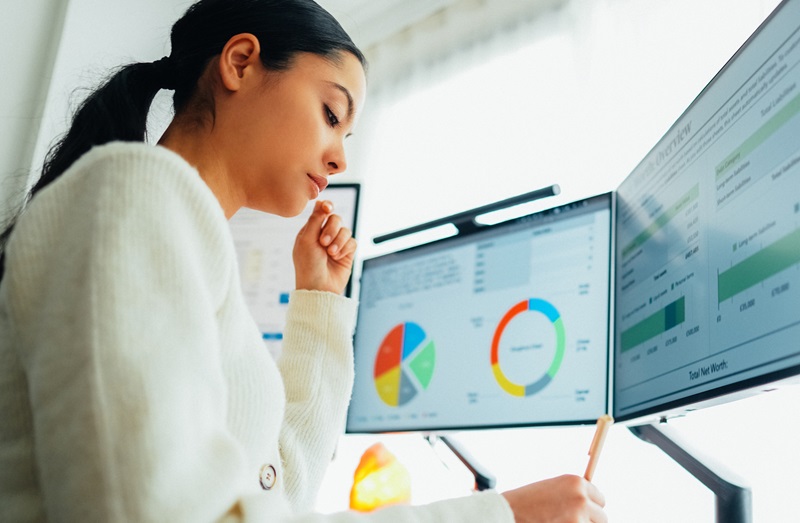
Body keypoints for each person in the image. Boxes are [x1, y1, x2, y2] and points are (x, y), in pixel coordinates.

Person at [0, 0, 607, 521]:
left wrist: (318, 304)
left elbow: (276, 493)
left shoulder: (180, 241)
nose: (340, 157)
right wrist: (499, 515)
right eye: (331, 114)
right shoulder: (131, 193)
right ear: (240, 63)